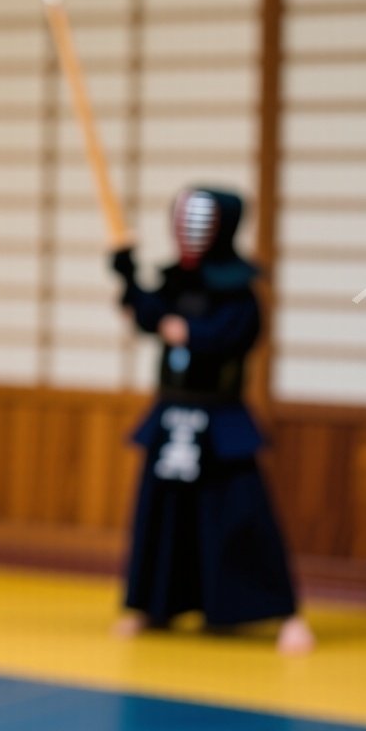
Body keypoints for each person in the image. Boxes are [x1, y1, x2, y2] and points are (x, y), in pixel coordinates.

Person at [110, 187, 314, 656]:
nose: (190, 232)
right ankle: (153, 605)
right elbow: (150, 316)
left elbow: (233, 333)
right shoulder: (176, 283)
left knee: (242, 515)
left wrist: (188, 331)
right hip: (171, 412)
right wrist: (127, 272)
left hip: (220, 418)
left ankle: (284, 614)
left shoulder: (239, 292)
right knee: (163, 515)